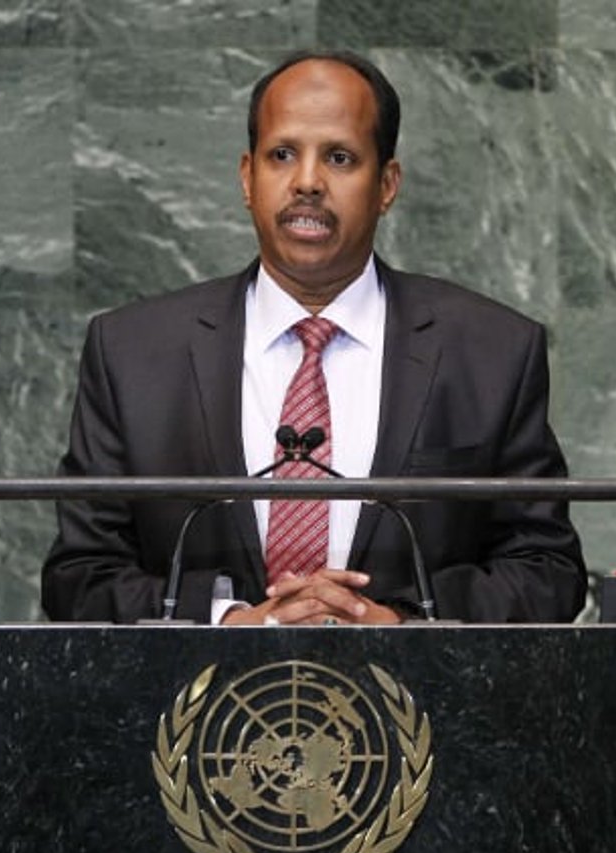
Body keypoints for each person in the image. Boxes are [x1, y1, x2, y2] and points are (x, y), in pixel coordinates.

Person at [41, 50, 586, 625]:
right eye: (282, 155)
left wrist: (402, 622)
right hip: (192, 707)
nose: (307, 182)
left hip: (420, 705)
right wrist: (225, 621)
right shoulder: (131, 353)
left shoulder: (492, 351)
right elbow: (80, 576)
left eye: (340, 157)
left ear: (387, 184)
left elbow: (546, 569)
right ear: (248, 178)